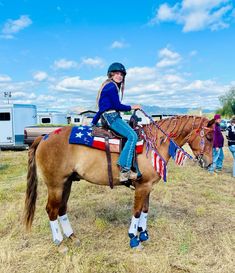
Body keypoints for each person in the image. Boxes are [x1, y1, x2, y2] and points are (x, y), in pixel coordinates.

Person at [92, 62, 141, 183]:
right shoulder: (112, 86)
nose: (119, 76)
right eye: (117, 73)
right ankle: (125, 170)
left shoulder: (107, 86)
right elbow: (117, 105)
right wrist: (132, 107)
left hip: (108, 116)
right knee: (132, 136)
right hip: (112, 117)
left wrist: (93, 122)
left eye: (121, 74)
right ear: (111, 75)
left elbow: (101, 109)